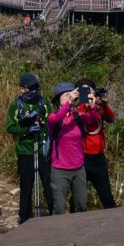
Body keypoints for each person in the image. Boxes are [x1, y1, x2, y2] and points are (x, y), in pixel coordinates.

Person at [6, 73, 52, 223]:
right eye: (27, 88)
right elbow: (10, 127)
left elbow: (51, 122)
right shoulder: (16, 104)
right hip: (25, 150)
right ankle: (25, 217)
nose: (30, 91)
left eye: (33, 88)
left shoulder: (44, 103)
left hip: (42, 148)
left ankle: (53, 213)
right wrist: (26, 130)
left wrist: (42, 127)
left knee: (48, 182)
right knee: (26, 184)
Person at [48, 83, 98, 214]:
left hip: (78, 168)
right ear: (58, 99)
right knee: (59, 208)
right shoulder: (53, 117)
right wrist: (69, 104)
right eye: (66, 95)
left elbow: (94, 122)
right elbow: (56, 119)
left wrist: (93, 108)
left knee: (81, 206)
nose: (71, 96)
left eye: (72, 93)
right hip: (60, 169)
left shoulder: (78, 116)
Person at [75, 78, 118, 209]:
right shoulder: (77, 108)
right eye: (83, 90)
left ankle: (115, 220)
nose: (86, 93)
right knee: (79, 195)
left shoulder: (98, 107)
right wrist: (87, 106)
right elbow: (83, 120)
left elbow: (112, 119)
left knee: (106, 194)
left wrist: (103, 104)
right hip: (83, 157)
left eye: (89, 89)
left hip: (98, 157)